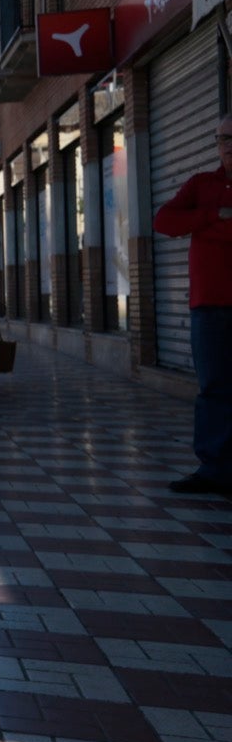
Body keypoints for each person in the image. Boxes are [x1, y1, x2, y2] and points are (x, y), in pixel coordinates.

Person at [153, 114, 232, 496]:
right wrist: (213, 216)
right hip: (209, 304)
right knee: (213, 387)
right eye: (223, 138)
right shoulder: (202, 184)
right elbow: (164, 220)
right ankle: (215, 468)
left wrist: (203, 226)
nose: (229, 145)